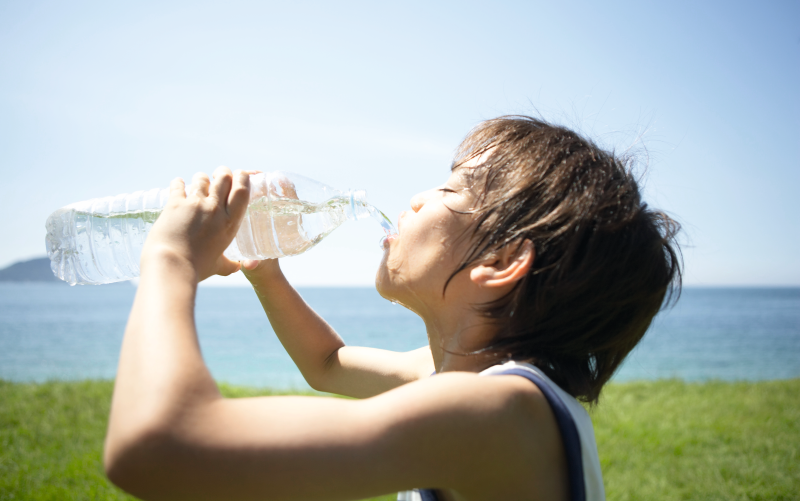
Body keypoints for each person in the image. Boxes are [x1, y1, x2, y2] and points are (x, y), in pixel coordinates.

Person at [103, 116, 681, 501]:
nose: (415, 198)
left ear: (502, 262)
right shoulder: (473, 382)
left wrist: (170, 258)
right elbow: (327, 364)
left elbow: (156, 445)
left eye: (451, 190)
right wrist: (265, 268)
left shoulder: (497, 410)